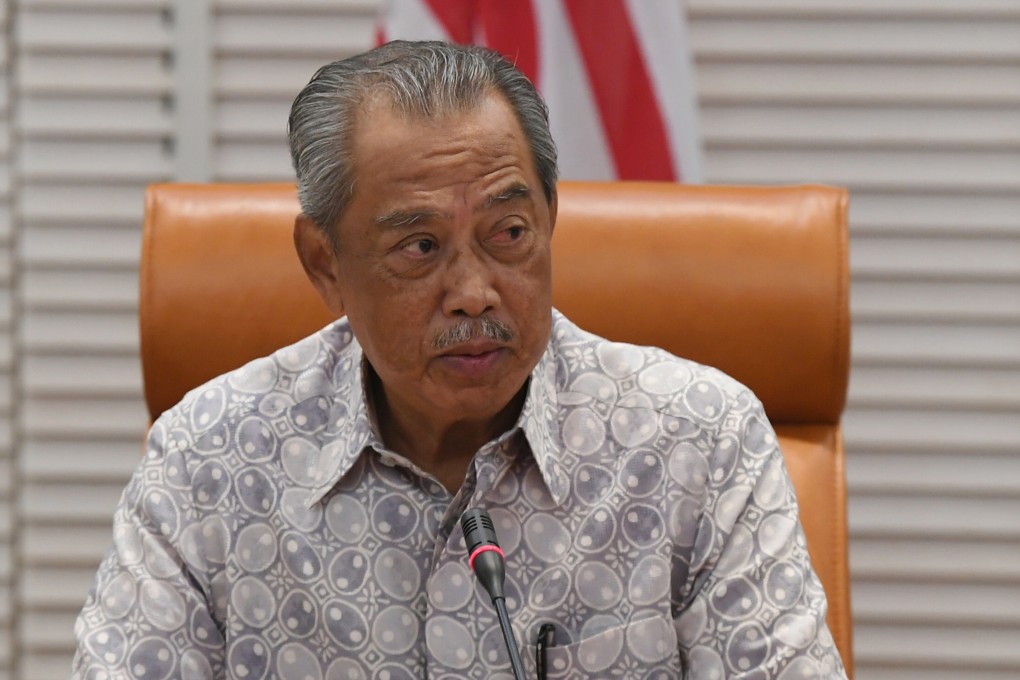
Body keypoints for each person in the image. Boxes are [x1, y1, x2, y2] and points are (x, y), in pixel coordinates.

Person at [72, 41, 848, 679]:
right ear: (324, 263)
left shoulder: (698, 443)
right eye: (420, 247)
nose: (475, 293)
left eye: (509, 234)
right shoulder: (207, 458)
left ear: (551, 219)